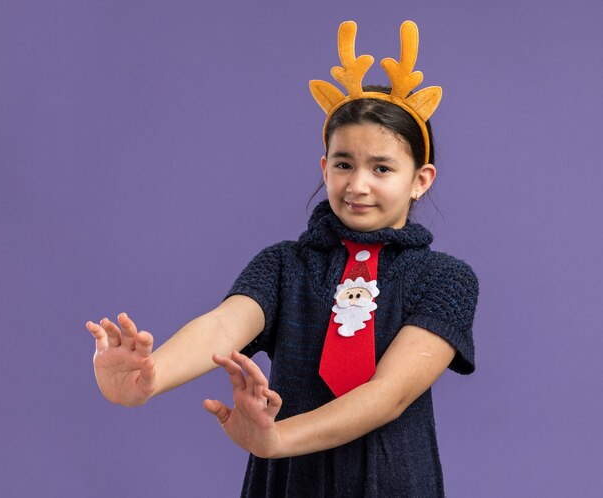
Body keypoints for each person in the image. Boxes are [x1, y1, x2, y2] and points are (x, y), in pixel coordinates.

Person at [86, 20, 479, 497]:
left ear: (420, 179)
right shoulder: (284, 265)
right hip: (288, 484)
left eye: (382, 168)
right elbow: (221, 327)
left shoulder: (446, 279)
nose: (357, 185)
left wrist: (276, 438)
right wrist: (148, 378)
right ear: (324, 166)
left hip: (392, 483)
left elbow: (389, 395)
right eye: (343, 164)